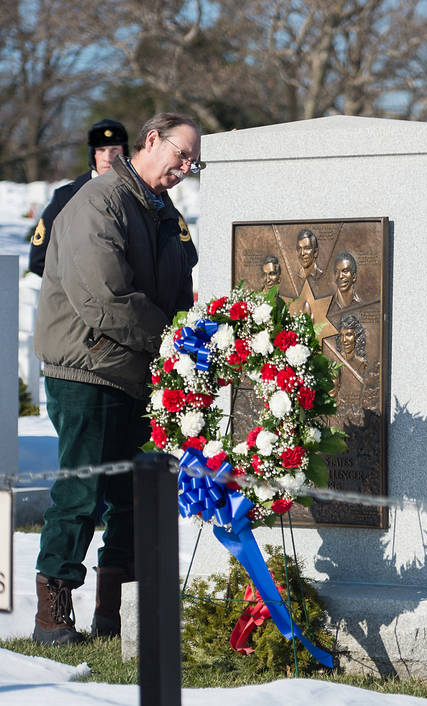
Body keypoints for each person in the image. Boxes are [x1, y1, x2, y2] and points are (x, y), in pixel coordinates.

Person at [32, 112, 202, 645]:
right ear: (152, 139)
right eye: (182, 154)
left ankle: (115, 616)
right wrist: (171, 340)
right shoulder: (99, 200)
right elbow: (102, 299)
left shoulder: (164, 212)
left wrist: (190, 337)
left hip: (139, 371)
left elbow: (181, 288)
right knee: (82, 492)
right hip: (89, 368)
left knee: (135, 498)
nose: (187, 167)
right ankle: (52, 616)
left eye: (194, 162)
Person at [28, 119, 130, 276]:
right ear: (93, 154)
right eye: (101, 150)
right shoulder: (66, 197)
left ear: (124, 153)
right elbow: (39, 260)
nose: (108, 157)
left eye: (114, 150)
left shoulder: (140, 194)